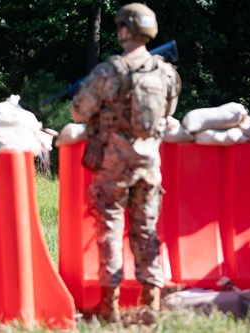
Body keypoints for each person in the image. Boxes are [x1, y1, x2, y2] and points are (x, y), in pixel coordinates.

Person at [69, 2, 181, 323]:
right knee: (146, 231)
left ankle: (111, 308)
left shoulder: (109, 71)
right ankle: (152, 305)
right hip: (149, 166)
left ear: (124, 30)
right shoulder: (166, 73)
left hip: (113, 167)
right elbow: (168, 113)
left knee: (110, 230)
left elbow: (79, 110)